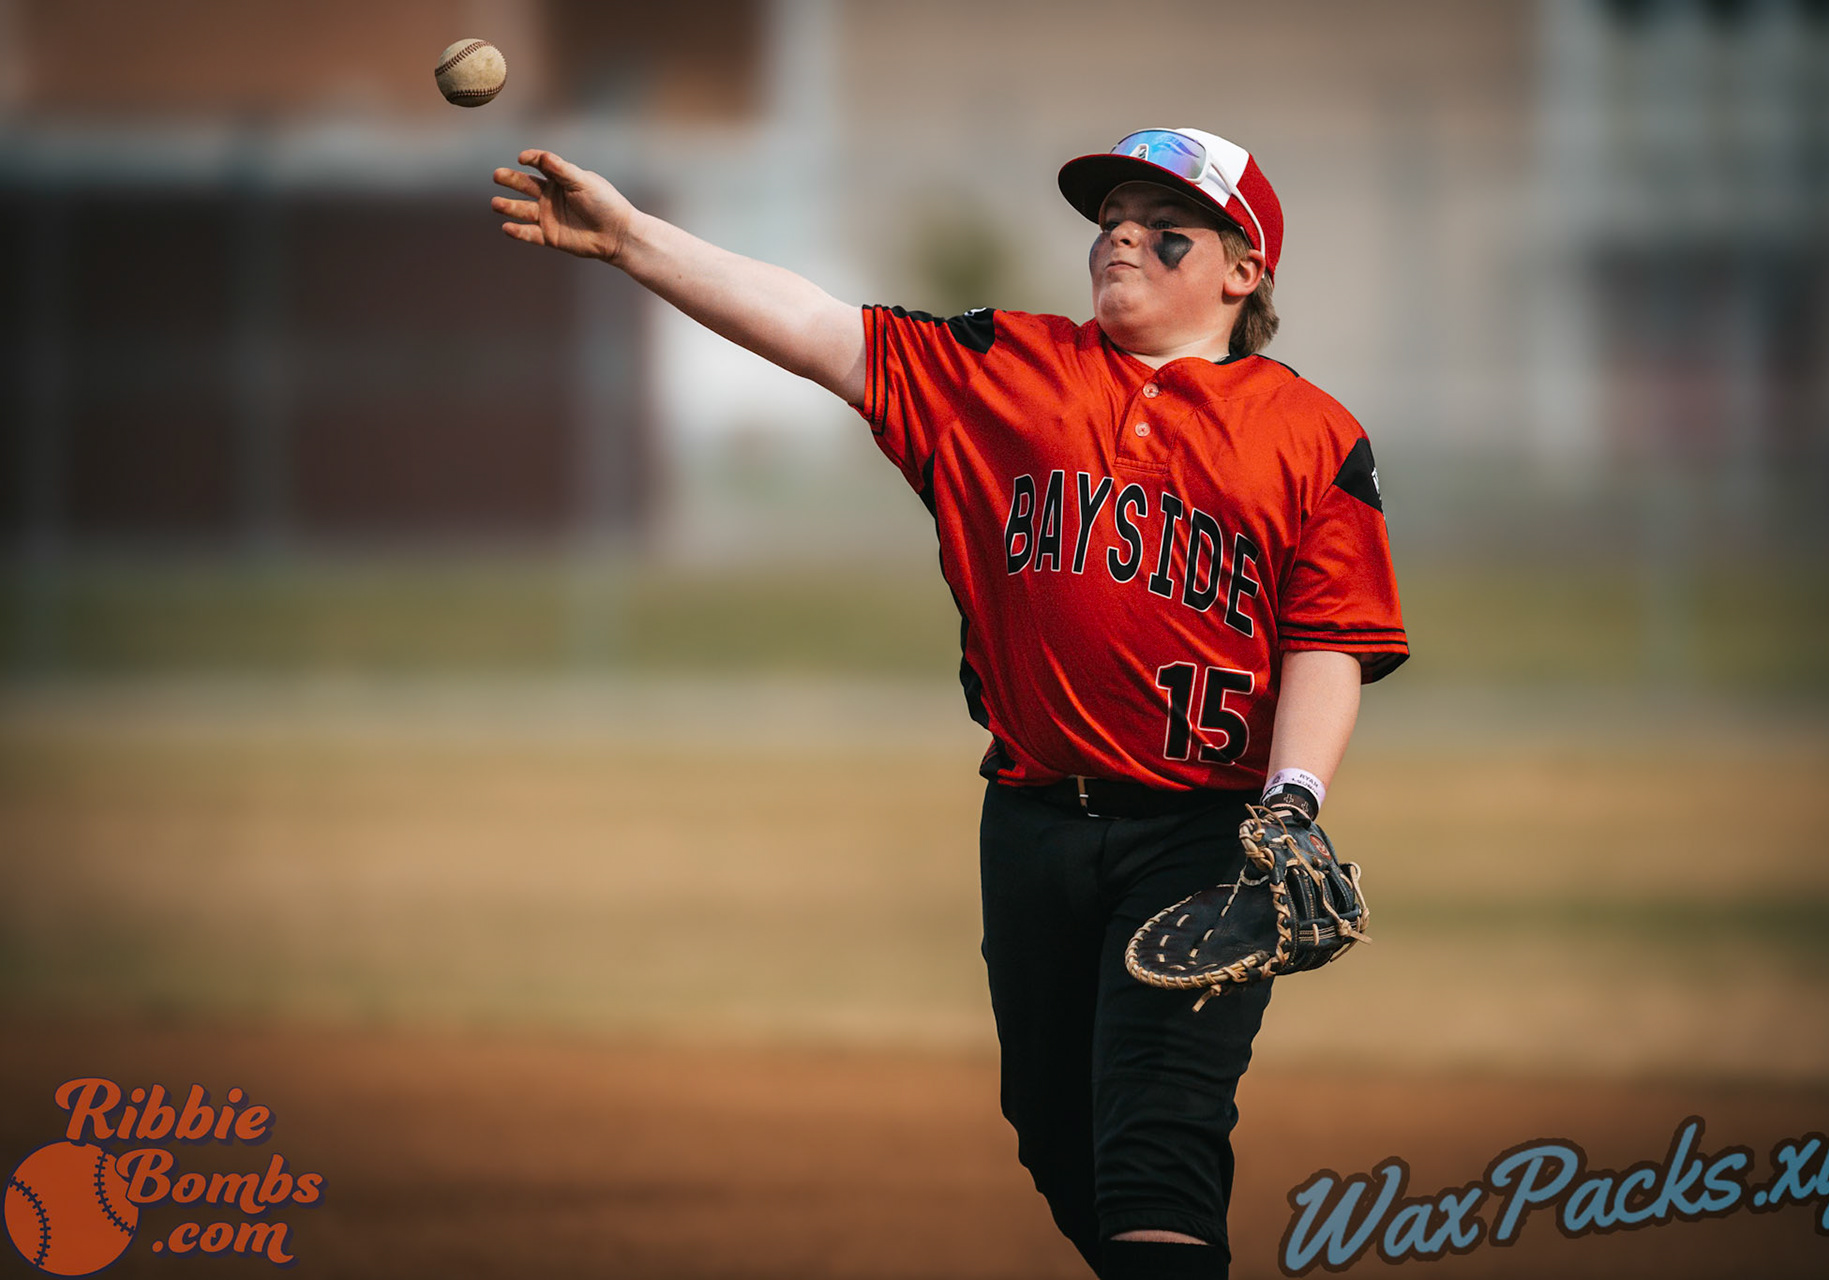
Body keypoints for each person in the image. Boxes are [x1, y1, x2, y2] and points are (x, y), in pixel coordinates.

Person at [491, 126, 1407, 1280]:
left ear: (1243, 268)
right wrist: (633, 241)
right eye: (1109, 216)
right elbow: (820, 328)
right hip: (1030, 822)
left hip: (1207, 840)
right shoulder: (1005, 370)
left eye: (1161, 221)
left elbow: (1329, 635)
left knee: (1157, 1142)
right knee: (1056, 1132)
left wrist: (1294, 800)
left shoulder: (1314, 438)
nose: (1119, 232)